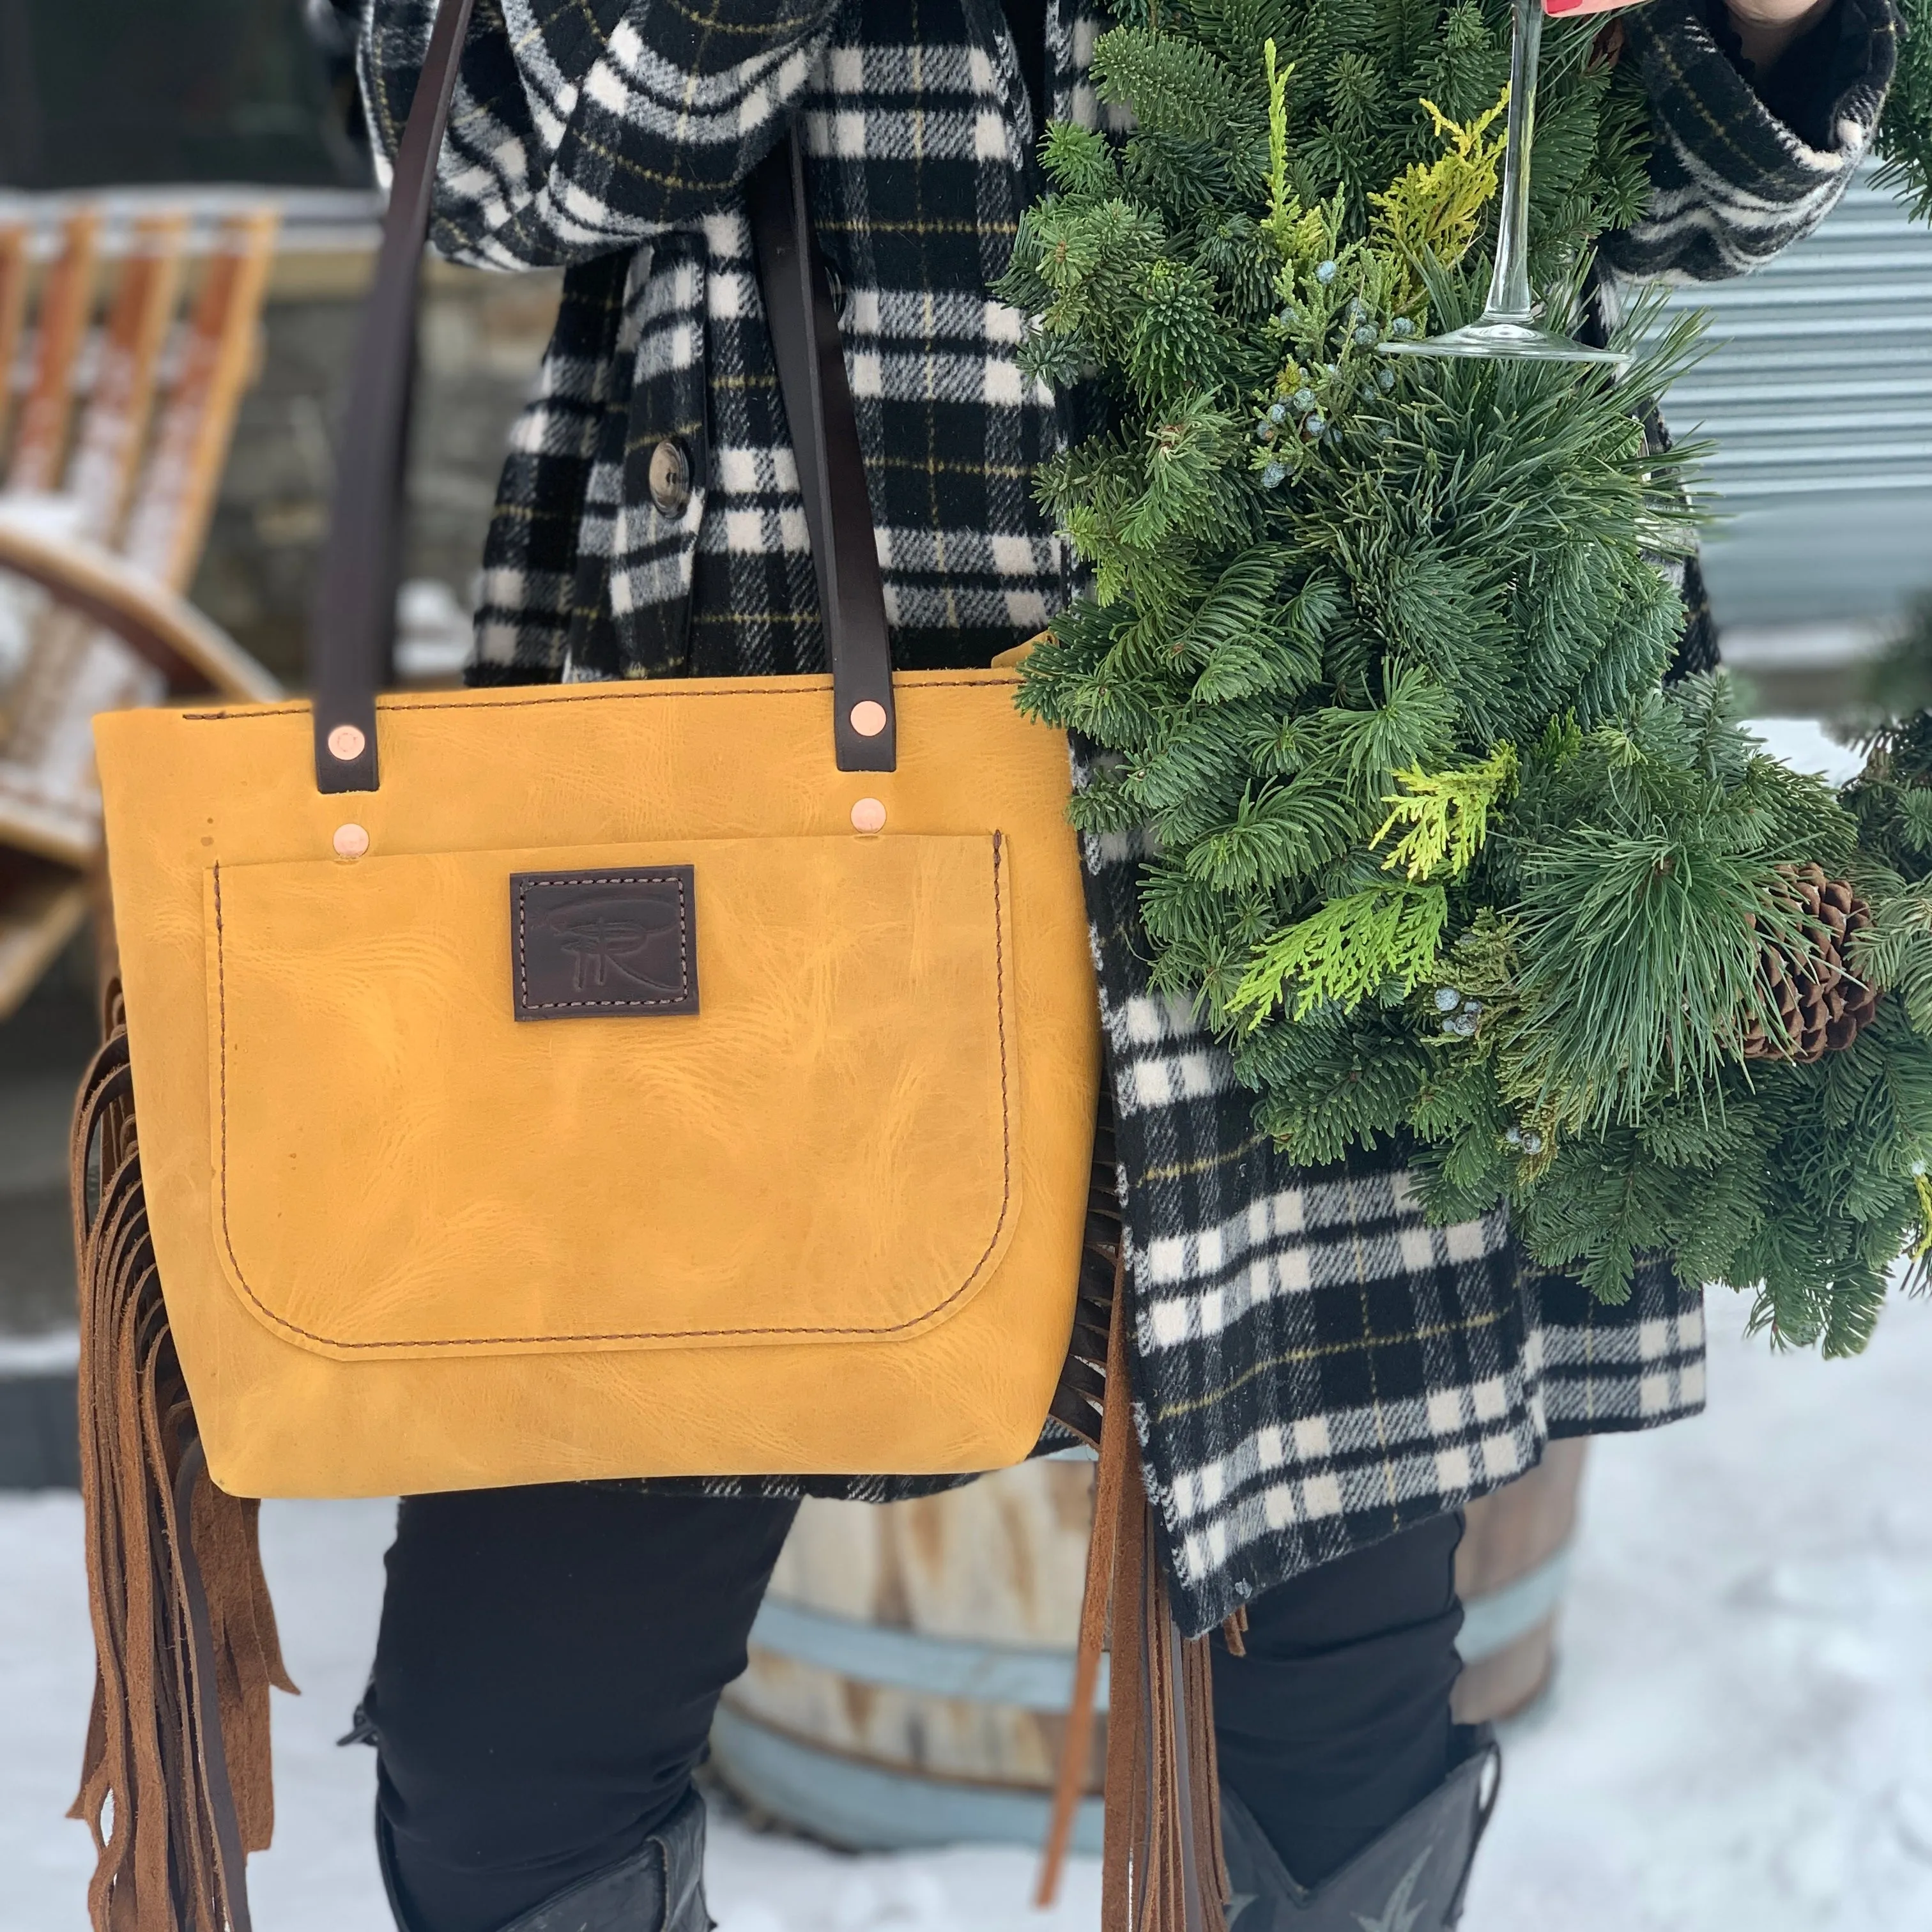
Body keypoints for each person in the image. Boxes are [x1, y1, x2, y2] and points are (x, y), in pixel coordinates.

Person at [348, 2, 1899, 1928]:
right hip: (743, 750)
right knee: (510, 1746)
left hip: (1346, 737)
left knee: (1339, 1759)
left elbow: (1666, 186)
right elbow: (498, 164)